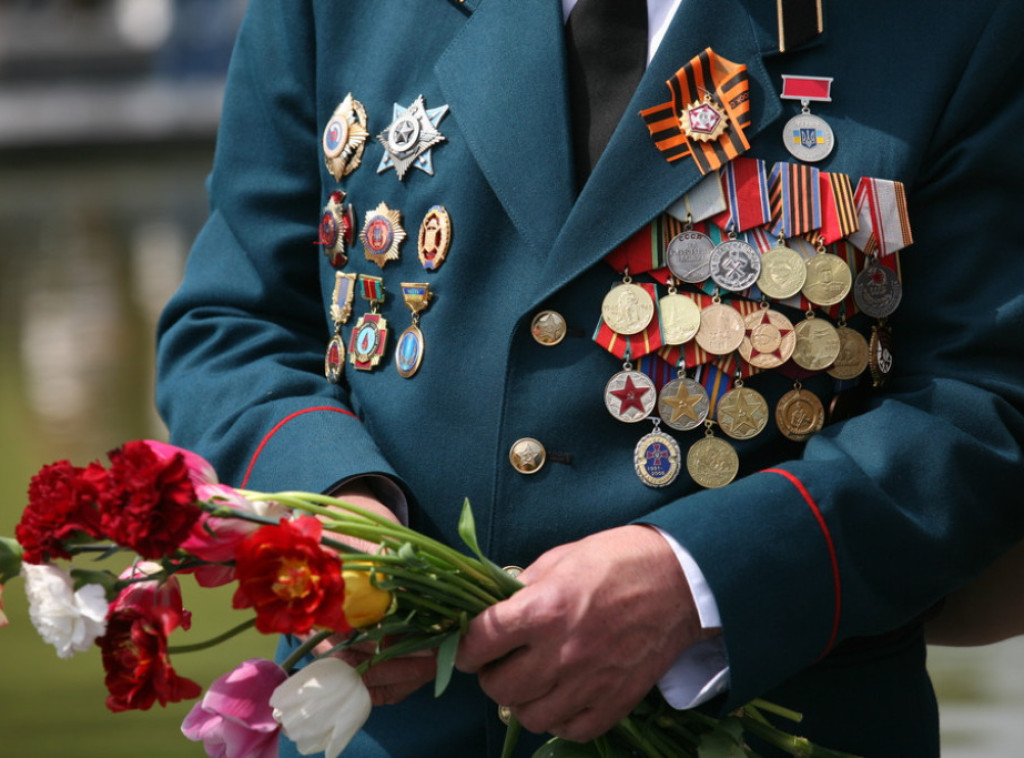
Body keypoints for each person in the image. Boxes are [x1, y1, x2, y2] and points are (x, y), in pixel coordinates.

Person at [155, 1, 1024, 756]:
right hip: (384, 721)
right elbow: (234, 325)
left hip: (764, 720)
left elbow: (984, 406)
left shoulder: (959, 18)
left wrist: (696, 581)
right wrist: (334, 496)